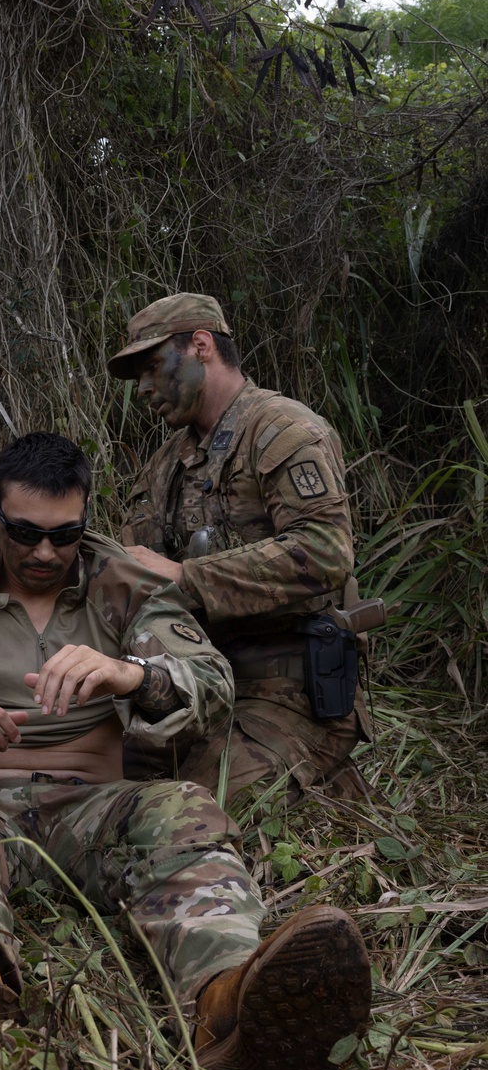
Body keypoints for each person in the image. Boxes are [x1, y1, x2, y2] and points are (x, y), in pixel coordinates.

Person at [0, 433, 371, 1070]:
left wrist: (130, 674)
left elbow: (210, 680)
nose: (47, 552)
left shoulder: (125, 581)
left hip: (98, 807)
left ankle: (231, 1004)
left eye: (66, 534)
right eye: (25, 533)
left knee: (185, 811)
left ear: (86, 517)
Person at [108, 292, 377, 807]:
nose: (142, 388)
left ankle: (330, 781)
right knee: (98, 780)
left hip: (289, 695)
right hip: (199, 687)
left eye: (152, 366)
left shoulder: (281, 430)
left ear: (202, 346)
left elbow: (325, 553)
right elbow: (131, 568)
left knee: (189, 806)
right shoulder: (167, 464)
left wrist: (187, 576)